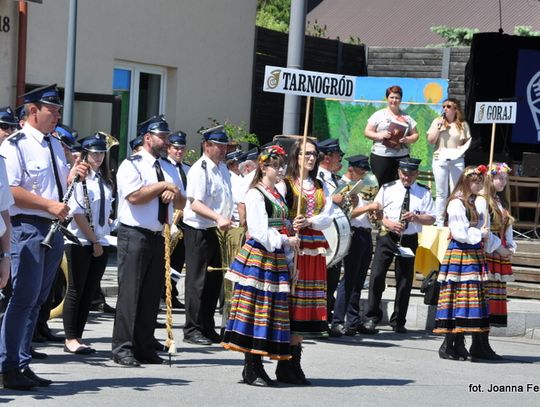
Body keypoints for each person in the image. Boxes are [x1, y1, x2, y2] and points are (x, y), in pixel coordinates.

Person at [0, 84, 88, 389]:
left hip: (52, 229)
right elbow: (9, 191)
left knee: (37, 301)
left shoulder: (53, 144)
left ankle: (21, 363)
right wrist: (49, 204)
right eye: (53, 110)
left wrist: (72, 176)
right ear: (33, 110)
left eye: (58, 110)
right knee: (22, 299)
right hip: (27, 227)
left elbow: (52, 186)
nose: (57, 115)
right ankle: (8, 364)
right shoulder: (16, 145)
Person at [222, 145, 299, 386]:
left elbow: (281, 221)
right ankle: (251, 366)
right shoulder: (255, 194)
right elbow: (258, 230)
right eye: (274, 166)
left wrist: (290, 237)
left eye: (280, 166)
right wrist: (286, 239)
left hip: (276, 256)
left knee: (269, 311)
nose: (279, 171)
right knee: (256, 310)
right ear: (263, 167)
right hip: (261, 257)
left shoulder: (276, 192)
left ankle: (257, 365)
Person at [112, 115, 185, 367]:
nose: (165, 141)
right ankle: (123, 348)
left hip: (157, 235)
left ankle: (144, 346)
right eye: (161, 137)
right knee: (130, 294)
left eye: (166, 137)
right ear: (147, 137)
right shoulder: (131, 165)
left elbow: (182, 201)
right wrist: (161, 186)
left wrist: (172, 190)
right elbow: (134, 196)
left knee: (150, 295)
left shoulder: (167, 166)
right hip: (134, 234)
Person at [276, 139, 334, 385]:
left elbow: (328, 215)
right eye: (306, 154)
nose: (311, 158)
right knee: (290, 303)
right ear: (296, 156)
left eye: (314, 154)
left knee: (304, 305)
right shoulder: (285, 184)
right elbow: (276, 213)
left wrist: (310, 222)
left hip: (314, 248)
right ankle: (283, 363)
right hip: (292, 245)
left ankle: (294, 363)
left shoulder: (320, 185)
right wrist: (292, 223)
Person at [433, 165, 501, 362]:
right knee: (459, 296)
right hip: (461, 253)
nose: (478, 184)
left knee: (472, 298)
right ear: (465, 182)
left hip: (474, 253)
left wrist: (486, 235)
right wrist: (480, 233)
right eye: (474, 181)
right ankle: (449, 344)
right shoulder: (456, 204)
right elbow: (460, 233)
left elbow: (478, 228)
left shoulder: (472, 202)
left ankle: (460, 343)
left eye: (480, 181)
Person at [363, 158, 435, 334]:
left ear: (416, 174)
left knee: (404, 280)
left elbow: (432, 218)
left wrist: (416, 217)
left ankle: (399, 321)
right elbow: (376, 212)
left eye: (411, 174)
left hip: (409, 238)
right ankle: (372, 317)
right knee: (377, 276)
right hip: (387, 235)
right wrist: (388, 223)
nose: (407, 177)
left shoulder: (423, 192)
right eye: (404, 174)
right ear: (399, 172)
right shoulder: (388, 188)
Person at [182, 125, 233, 346]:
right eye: (219, 146)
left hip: (217, 231)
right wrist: (218, 218)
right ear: (207, 145)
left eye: (225, 146)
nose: (224, 150)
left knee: (214, 281)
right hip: (199, 230)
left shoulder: (221, 169)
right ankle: (192, 328)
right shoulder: (199, 169)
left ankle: (207, 326)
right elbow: (194, 203)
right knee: (197, 281)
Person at [63, 133, 113, 355]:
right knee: (76, 289)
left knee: (89, 289)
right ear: (84, 154)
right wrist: (93, 241)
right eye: (94, 152)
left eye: (102, 152)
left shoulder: (103, 179)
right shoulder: (79, 178)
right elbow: (77, 214)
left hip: (100, 240)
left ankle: (79, 336)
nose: (99, 156)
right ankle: (70, 337)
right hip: (81, 241)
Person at [331, 155, 380, 336]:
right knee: (349, 279)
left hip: (365, 234)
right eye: (360, 171)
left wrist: (375, 213)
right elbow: (345, 214)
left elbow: (364, 212)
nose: (363, 175)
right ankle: (337, 321)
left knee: (358, 280)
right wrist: (368, 208)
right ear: (351, 169)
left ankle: (352, 320)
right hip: (351, 233)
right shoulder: (342, 185)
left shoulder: (362, 185)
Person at [482, 162, 516, 360]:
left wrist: (510, 246)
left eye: (505, 178)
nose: (503, 181)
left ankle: (484, 342)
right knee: (484, 298)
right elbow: (484, 230)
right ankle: (480, 342)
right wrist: (499, 247)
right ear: (490, 178)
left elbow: (508, 227)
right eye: (499, 178)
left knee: (494, 299)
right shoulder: (484, 201)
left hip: (500, 256)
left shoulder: (500, 201)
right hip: (489, 253)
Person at [427, 98, 472, 226]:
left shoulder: (462, 124)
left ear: (455, 109)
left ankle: (454, 220)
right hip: (440, 158)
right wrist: (438, 129)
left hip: (456, 159)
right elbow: (431, 140)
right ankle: (439, 221)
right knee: (441, 192)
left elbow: (467, 142)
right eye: (443, 106)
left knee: (456, 192)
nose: (445, 109)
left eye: (448, 106)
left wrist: (461, 147)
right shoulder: (437, 121)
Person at [316, 138, 345, 329]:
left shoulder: (334, 178)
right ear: (327, 157)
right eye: (337, 155)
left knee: (332, 278)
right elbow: (315, 201)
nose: (340, 158)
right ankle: (318, 319)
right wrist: (331, 199)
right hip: (323, 232)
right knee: (321, 279)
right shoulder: (317, 177)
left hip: (335, 234)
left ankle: (325, 318)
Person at [364, 85, 419, 186]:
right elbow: (367, 132)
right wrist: (379, 135)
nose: (394, 100)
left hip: (402, 157)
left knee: (401, 186)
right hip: (381, 157)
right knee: (382, 186)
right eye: (392, 97)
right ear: (387, 98)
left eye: (397, 98)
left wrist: (407, 139)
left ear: (401, 100)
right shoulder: (378, 115)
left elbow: (415, 135)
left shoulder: (407, 117)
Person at [164, 131, 191, 309]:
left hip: (184, 219)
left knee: (178, 261)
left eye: (182, 148)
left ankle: (172, 292)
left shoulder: (188, 169)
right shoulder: (165, 167)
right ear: (169, 148)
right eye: (176, 148)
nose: (179, 152)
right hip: (169, 218)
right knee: (166, 259)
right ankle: (162, 295)